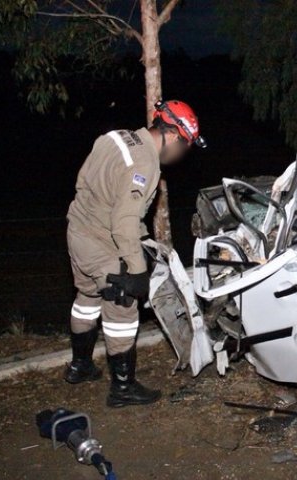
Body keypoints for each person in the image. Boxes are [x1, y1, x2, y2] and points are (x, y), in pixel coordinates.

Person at [65, 100, 205, 408]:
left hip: (78, 230)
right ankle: (123, 388)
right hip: (103, 242)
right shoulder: (145, 164)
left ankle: (80, 366)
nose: (182, 155)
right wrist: (137, 270)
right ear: (174, 137)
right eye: (185, 147)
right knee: (123, 308)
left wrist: (144, 240)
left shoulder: (116, 136)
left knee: (87, 296)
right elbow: (124, 223)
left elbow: (104, 190)